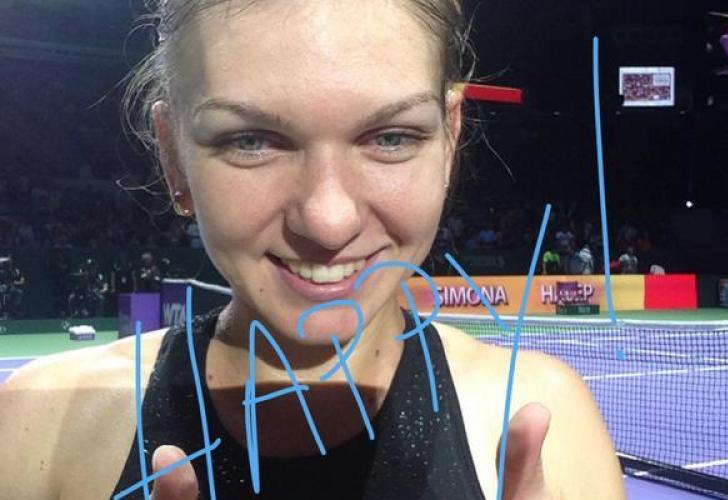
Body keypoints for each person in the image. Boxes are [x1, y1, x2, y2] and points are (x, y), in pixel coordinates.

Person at [0, 1, 624, 499]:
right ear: (172, 156)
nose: (328, 221)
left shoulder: (544, 416)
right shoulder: (37, 428)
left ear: (449, 141)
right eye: (250, 140)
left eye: (391, 137)